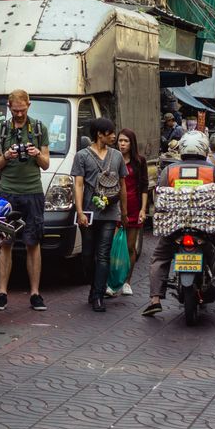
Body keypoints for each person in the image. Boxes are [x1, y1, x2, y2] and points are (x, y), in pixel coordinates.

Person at [142, 132, 215, 317]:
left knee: (160, 256)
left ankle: (155, 299)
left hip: (175, 227)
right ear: (203, 147)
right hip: (206, 226)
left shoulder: (169, 171)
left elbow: (160, 195)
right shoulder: (211, 171)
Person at [0, 89, 50, 312]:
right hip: (7, 193)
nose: (19, 115)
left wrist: (35, 153)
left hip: (33, 192)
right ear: (9, 107)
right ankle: (2, 293)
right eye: (15, 111)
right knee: (5, 243)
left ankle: (35, 293)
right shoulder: (0, 130)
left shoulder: (40, 128)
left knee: (33, 243)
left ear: (29, 106)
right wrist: (6, 156)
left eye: (22, 110)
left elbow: (46, 164)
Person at [73, 118, 128, 312]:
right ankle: (94, 286)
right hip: (88, 212)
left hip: (110, 213)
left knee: (103, 254)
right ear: (99, 134)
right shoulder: (82, 156)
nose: (114, 136)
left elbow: (122, 185)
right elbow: (78, 184)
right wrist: (79, 212)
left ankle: (98, 295)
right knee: (88, 255)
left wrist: (124, 213)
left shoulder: (117, 156)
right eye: (110, 133)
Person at [117, 128, 148, 297]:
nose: (122, 144)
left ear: (132, 143)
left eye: (125, 141)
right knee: (115, 247)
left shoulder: (139, 161)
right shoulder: (113, 158)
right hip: (115, 207)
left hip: (134, 206)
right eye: (120, 141)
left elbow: (144, 186)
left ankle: (127, 282)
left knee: (130, 246)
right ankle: (113, 280)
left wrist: (143, 209)